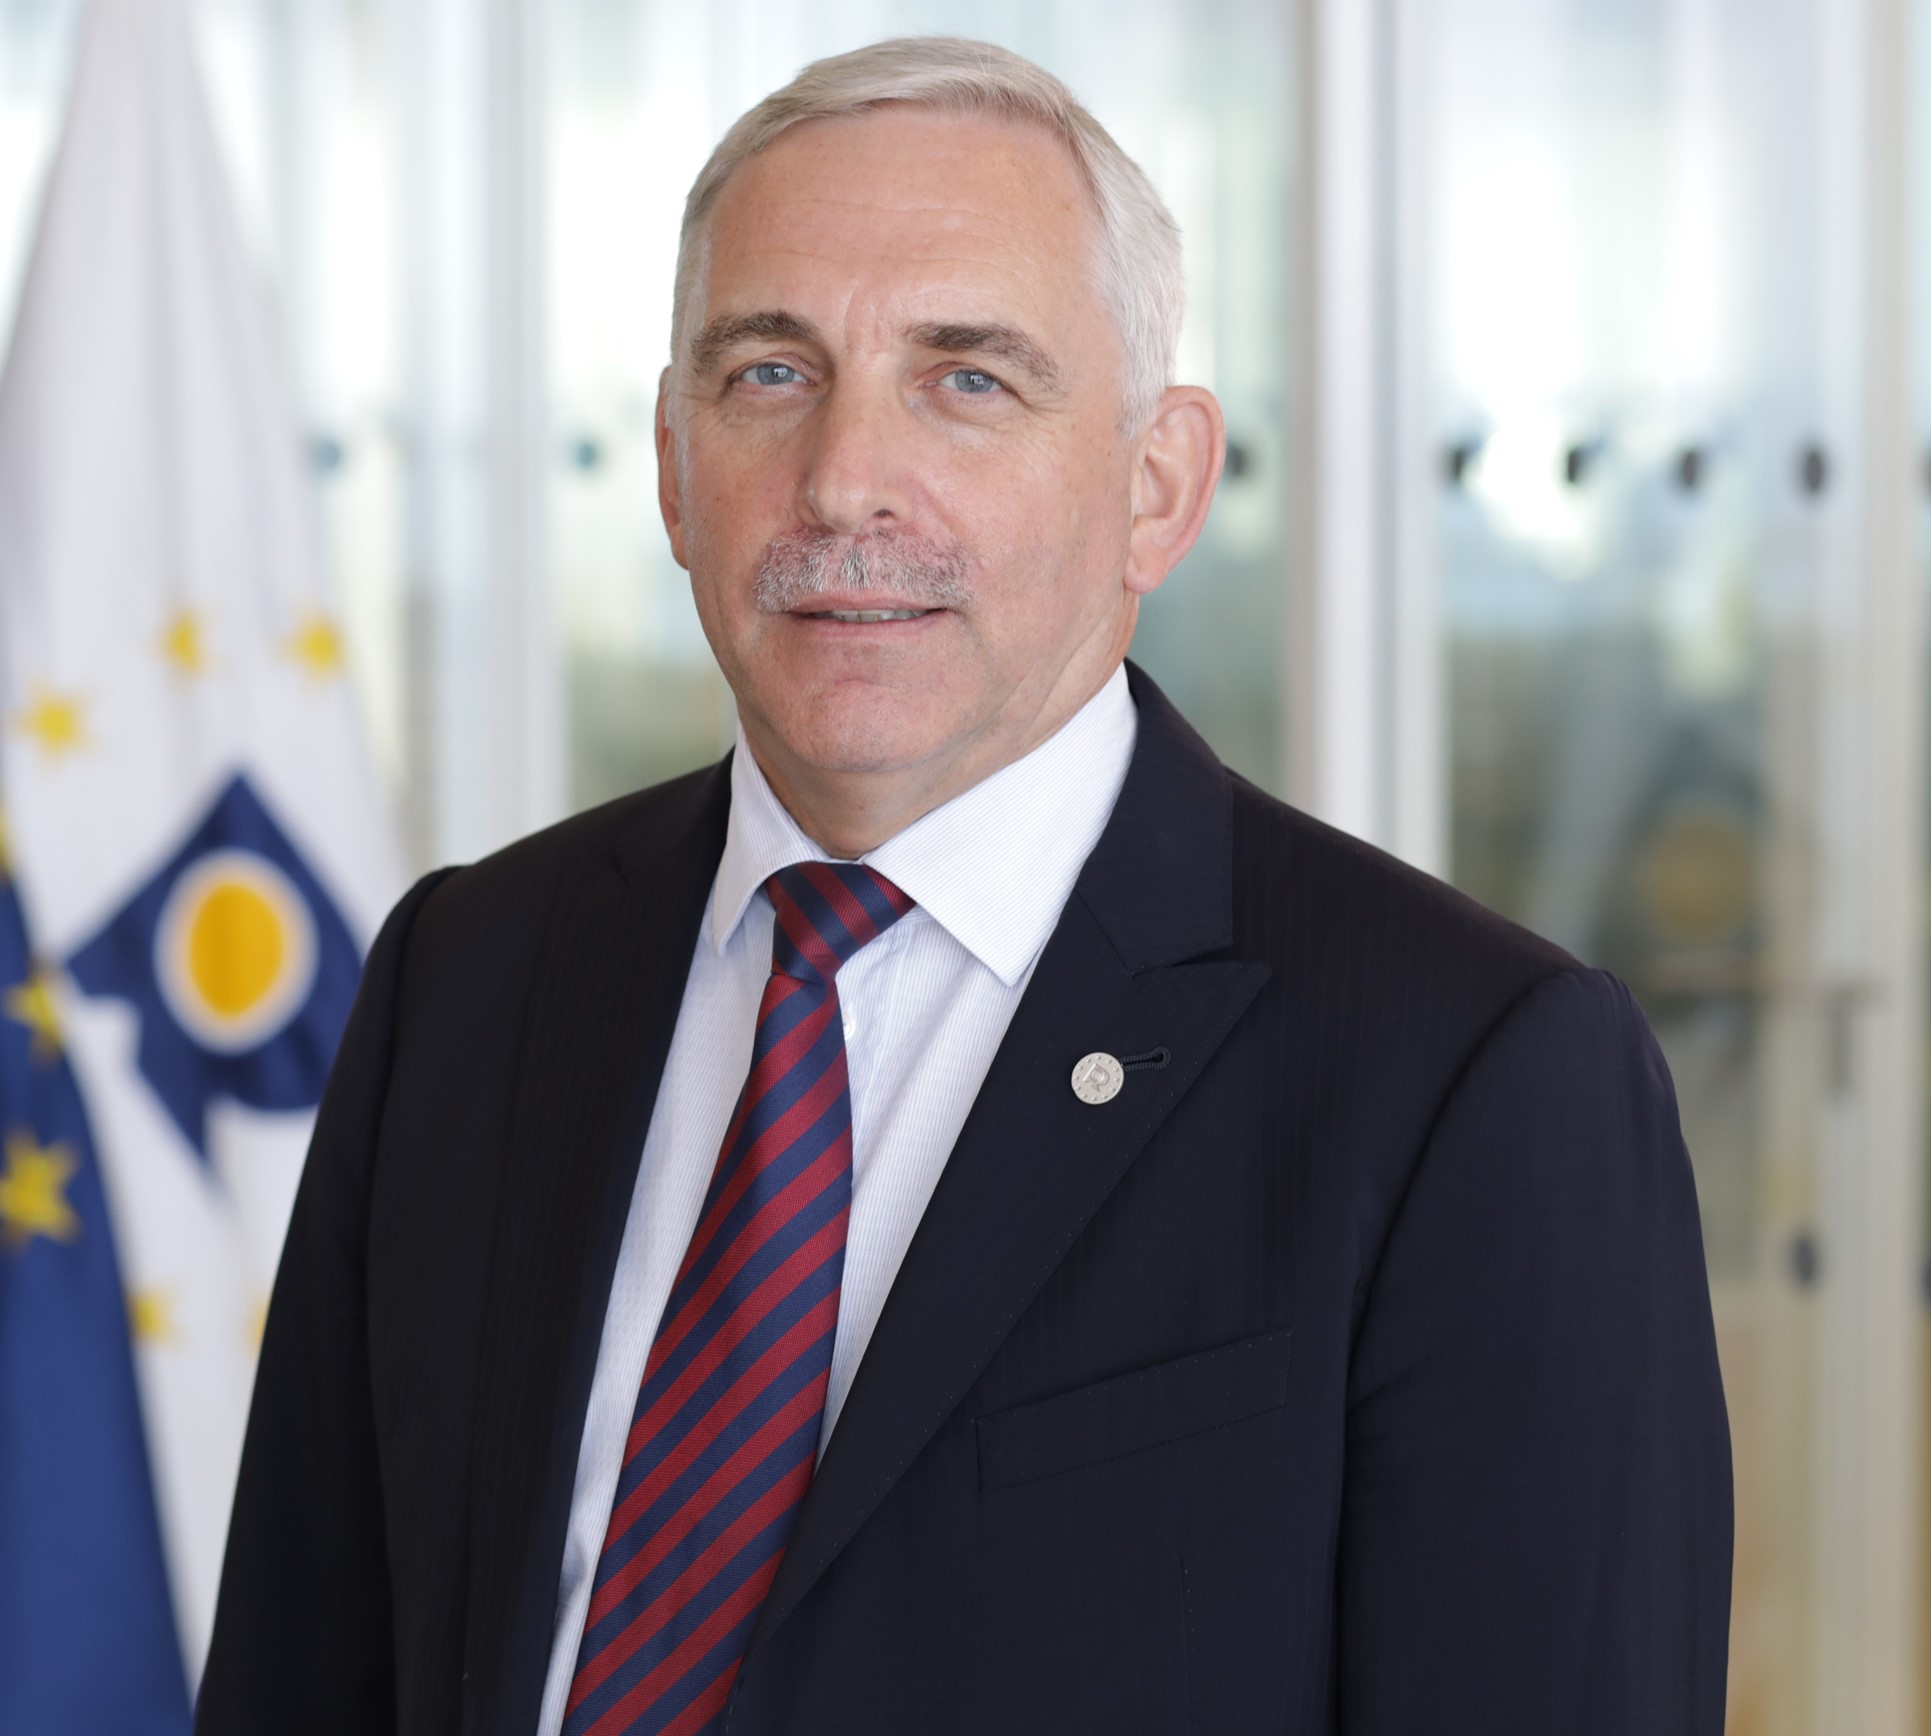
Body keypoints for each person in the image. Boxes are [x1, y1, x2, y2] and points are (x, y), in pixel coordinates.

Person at [196, 36, 1731, 1736]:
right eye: (770, 372)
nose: (845, 477)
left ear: (1157, 486)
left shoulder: (1472, 1077)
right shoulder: (468, 978)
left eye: (970, 380)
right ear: (673, 467)